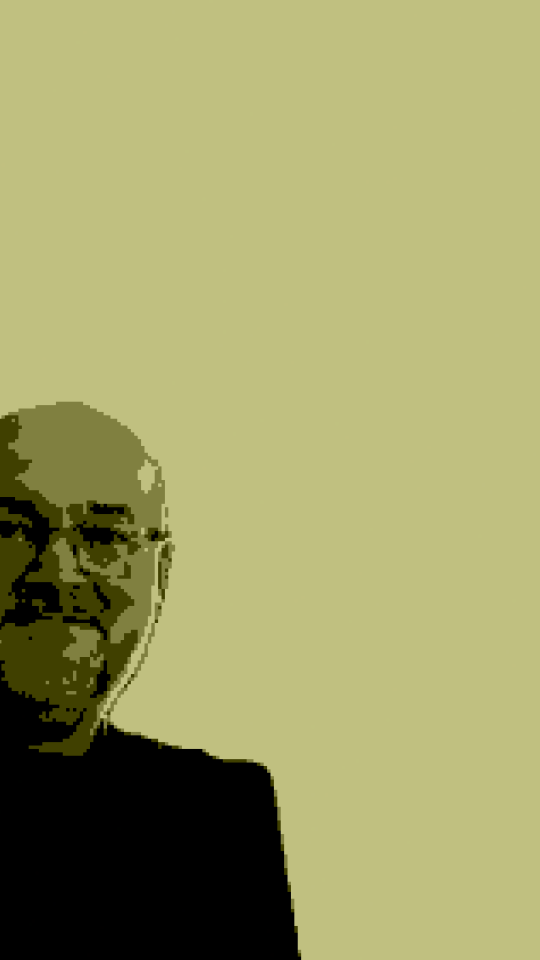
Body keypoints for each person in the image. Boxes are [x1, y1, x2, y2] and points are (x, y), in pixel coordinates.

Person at [0, 400, 301, 957]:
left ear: (160, 578)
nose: (57, 572)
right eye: (12, 528)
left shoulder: (216, 818)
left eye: (102, 536)